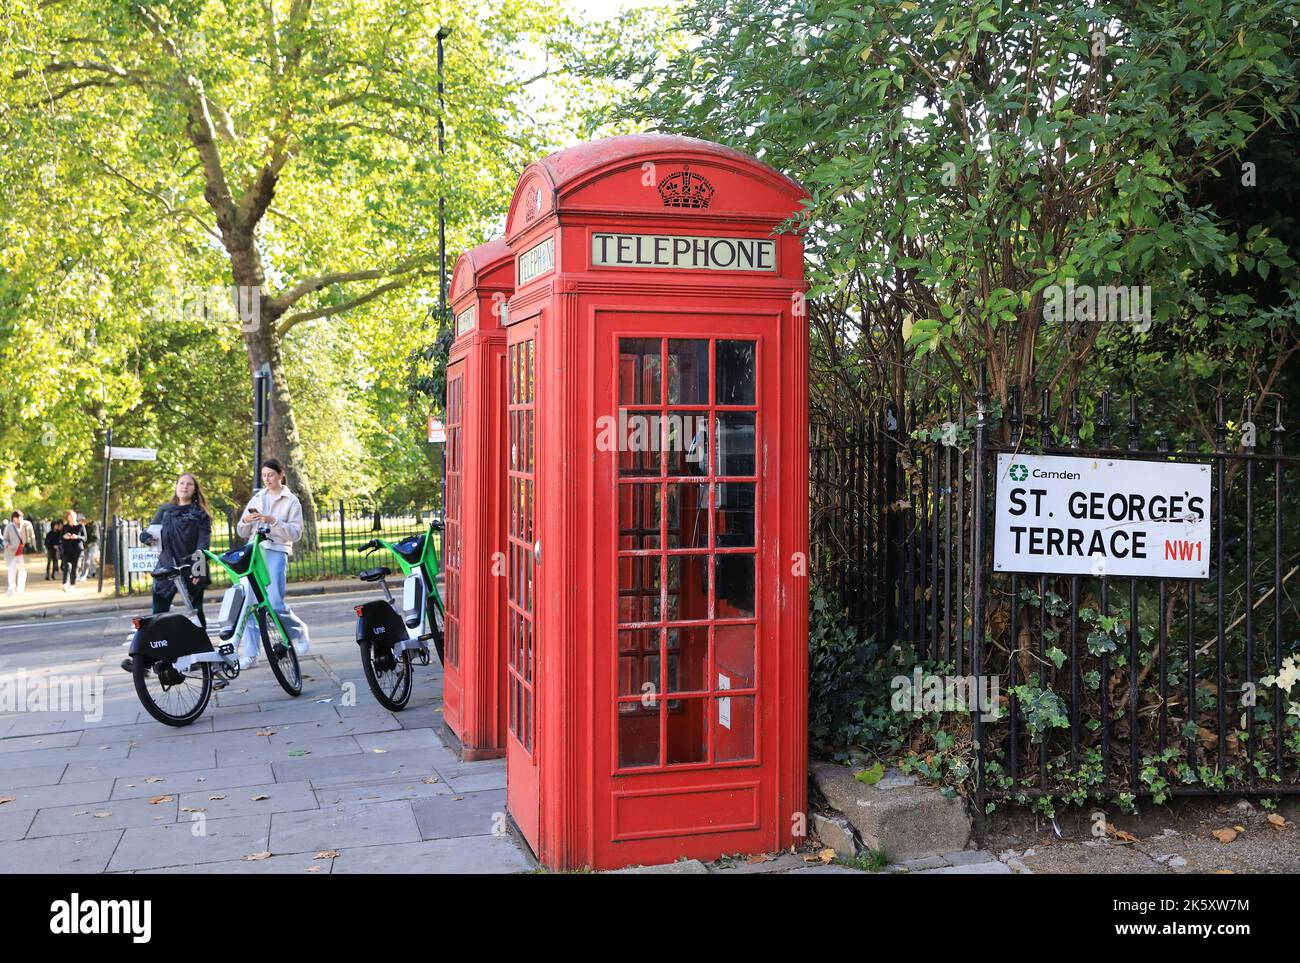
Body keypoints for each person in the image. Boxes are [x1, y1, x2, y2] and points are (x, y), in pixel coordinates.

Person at [121, 473, 214, 675]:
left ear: (195, 489)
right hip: (165, 569)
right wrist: (144, 536)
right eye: (181, 483)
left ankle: (202, 655)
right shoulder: (165, 511)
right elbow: (151, 535)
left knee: (195, 614)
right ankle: (146, 661)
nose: (185, 487)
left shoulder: (201, 515)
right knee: (157, 616)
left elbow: (203, 544)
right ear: (176, 486)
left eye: (189, 484)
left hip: (191, 570)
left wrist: (198, 569)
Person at [236, 457, 310, 668]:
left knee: (275, 603)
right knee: (249, 605)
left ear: (281, 475)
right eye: (264, 476)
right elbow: (241, 531)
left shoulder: (291, 500)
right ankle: (250, 654)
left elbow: (295, 533)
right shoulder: (257, 498)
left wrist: (273, 521)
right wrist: (246, 521)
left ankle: (298, 631)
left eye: (271, 475)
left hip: (276, 550)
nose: (267, 479)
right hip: (254, 551)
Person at [3, 510, 29, 595]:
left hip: (22, 552)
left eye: (21, 517)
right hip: (12, 552)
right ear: (13, 518)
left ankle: (20, 589)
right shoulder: (9, 527)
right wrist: (8, 545)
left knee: (23, 571)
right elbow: (4, 540)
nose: (19, 519)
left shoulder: (25, 526)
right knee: (12, 570)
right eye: (17, 517)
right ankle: (11, 588)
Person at [59, 510, 85, 592]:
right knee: (66, 566)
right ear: (68, 518)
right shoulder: (65, 527)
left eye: (73, 516)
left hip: (77, 550)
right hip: (67, 550)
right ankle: (65, 583)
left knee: (75, 567)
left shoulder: (80, 526)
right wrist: (65, 536)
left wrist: (77, 537)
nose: (72, 517)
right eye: (70, 516)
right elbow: (60, 538)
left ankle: (72, 584)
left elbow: (85, 538)